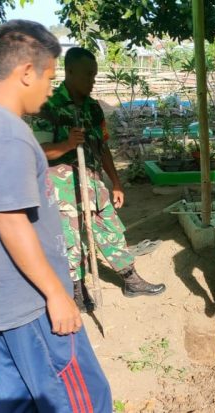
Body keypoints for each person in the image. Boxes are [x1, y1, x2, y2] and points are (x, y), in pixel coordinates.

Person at [0, 21, 111, 412]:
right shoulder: (7, 133)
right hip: (32, 304)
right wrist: (57, 294)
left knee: (21, 402)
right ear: (26, 72)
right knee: (83, 400)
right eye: (49, 77)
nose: (50, 88)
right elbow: (10, 221)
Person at [34, 47, 165, 307]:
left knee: (110, 228)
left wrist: (115, 182)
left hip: (92, 181)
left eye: (94, 75)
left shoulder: (93, 108)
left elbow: (102, 146)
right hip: (62, 187)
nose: (92, 81)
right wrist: (67, 145)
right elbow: (37, 151)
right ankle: (77, 290)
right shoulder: (48, 106)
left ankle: (131, 279)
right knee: (70, 238)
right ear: (69, 71)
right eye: (87, 75)